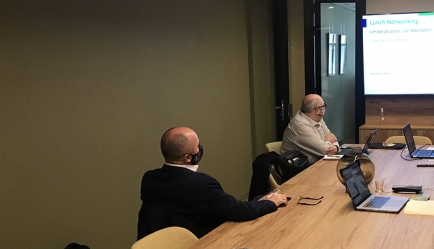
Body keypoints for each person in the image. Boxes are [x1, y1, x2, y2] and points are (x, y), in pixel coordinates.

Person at [137, 127, 287, 240]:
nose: (200, 148)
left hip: (171, 247)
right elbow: (238, 211)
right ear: (188, 157)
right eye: (197, 146)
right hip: (203, 246)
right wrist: (271, 202)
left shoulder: (149, 178)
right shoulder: (201, 184)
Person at [281, 94, 339, 163]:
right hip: (298, 169)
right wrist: (330, 142)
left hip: (316, 162)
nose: (324, 109)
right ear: (318, 110)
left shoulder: (318, 118)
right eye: (323, 106)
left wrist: (336, 147)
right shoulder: (300, 125)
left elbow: (332, 138)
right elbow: (325, 150)